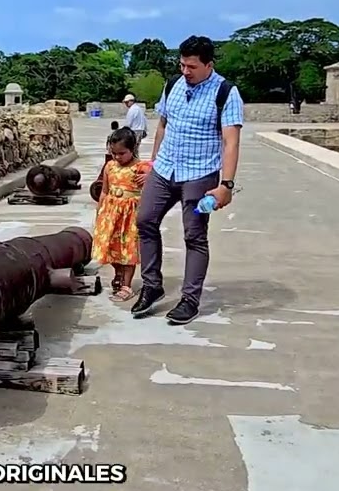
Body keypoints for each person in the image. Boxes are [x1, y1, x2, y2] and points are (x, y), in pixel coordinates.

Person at [132, 35, 244, 325]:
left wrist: (226, 185)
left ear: (209, 64)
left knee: (194, 235)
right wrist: (153, 163)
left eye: (192, 66)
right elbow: (162, 126)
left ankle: (190, 299)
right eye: (182, 65)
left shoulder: (225, 92)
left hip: (199, 175)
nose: (185, 71)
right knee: (145, 220)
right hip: (165, 169)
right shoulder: (173, 84)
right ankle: (152, 286)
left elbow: (231, 142)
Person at [91, 127, 151, 302]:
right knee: (111, 246)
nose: (117, 157)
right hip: (110, 214)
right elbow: (104, 191)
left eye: (122, 153)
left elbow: (155, 186)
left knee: (128, 249)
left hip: (131, 216)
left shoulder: (141, 168)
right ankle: (118, 272)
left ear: (133, 149)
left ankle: (126, 285)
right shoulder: (109, 166)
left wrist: (149, 177)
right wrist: (99, 211)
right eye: (114, 153)